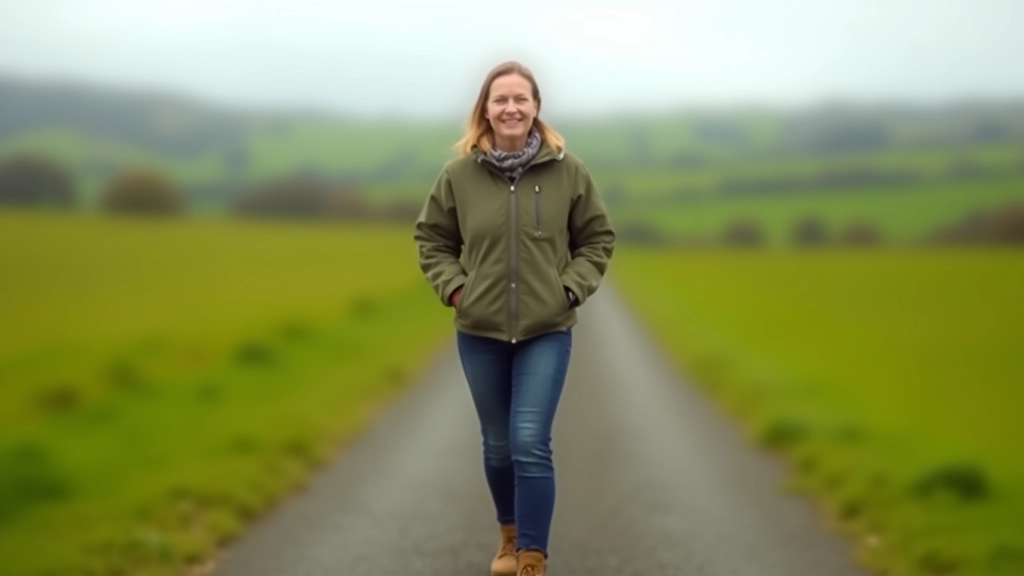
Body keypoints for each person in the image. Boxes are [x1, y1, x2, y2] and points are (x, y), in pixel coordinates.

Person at [413, 60, 615, 576]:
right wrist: (457, 289)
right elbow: (432, 240)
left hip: (546, 330)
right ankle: (507, 535)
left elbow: (597, 239)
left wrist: (569, 289)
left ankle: (530, 557)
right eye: (500, 99)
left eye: (520, 99)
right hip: (478, 331)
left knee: (529, 440)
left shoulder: (569, 172)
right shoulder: (458, 175)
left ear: (536, 107)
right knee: (498, 444)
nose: (510, 108)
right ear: (485, 109)